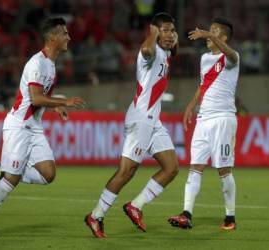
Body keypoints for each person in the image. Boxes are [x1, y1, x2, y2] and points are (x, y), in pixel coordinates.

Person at [0, 17, 85, 235]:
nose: (69, 37)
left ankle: (5, 169)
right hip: (20, 126)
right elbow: (35, 99)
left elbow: (41, 98)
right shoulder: (37, 63)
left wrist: (55, 106)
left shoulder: (50, 65)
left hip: (34, 127)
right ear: (52, 37)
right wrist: (63, 101)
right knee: (11, 180)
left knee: (47, 174)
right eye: (65, 33)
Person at [85, 12, 179, 238]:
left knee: (171, 168)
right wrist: (153, 34)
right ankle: (96, 215)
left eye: (172, 30)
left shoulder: (165, 53)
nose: (170, 34)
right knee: (126, 171)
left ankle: (135, 205)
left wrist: (169, 39)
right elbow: (146, 50)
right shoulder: (151, 50)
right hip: (141, 118)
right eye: (165, 29)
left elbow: (168, 48)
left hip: (152, 120)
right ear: (154, 30)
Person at [168, 17, 239, 231]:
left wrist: (209, 35)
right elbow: (203, 84)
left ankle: (230, 218)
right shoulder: (205, 58)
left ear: (223, 37)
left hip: (223, 118)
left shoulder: (233, 58)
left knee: (224, 170)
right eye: (209, 31)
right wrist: (191, 104)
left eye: (214, 32)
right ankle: (186, 214)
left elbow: (231, 54)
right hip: (203, 119)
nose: (209, 35)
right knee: (195, 167)